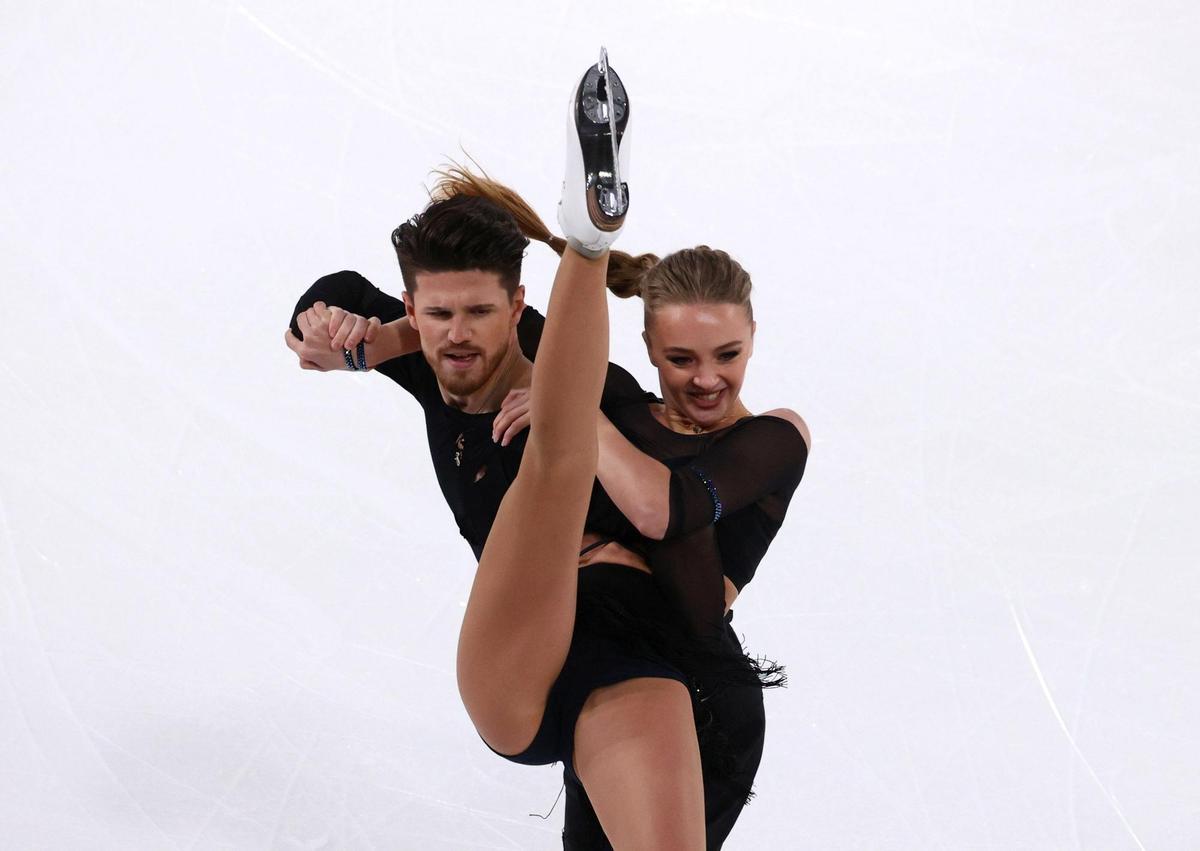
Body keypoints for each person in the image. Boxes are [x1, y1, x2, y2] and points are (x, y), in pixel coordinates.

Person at [284, 59, 808, 849]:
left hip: (645, 656)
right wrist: (333, 331)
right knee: (554, 460)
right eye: (437, 316)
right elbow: (335, 304)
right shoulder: (428, 351)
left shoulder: (604, 385)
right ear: (416, 314)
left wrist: (579, 408)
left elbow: (661, 499)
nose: (458, 335)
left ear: (520, 306)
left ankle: (586, 236)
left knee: (558, 446)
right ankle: (588, 239)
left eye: (479, 313)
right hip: (525, 651)